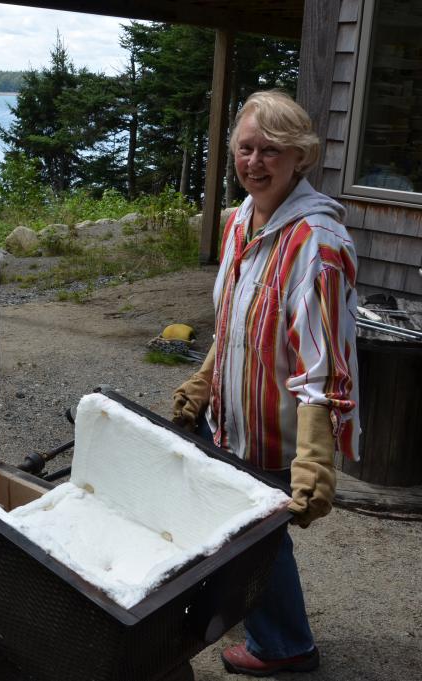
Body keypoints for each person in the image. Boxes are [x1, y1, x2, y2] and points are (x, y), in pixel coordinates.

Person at [172, 90, 359, 676]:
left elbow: (323, 362)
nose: (254, 162)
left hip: (277, 433)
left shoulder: (317, 242)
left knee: (259, 539)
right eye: (245, 148)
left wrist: (315, 461)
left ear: (300, 157)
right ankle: (263, 625)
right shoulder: (239, 222)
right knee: (240, 530)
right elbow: (235, 321)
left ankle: (285, 647)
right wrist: (203, 383)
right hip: (231, 419)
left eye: (271, 151)